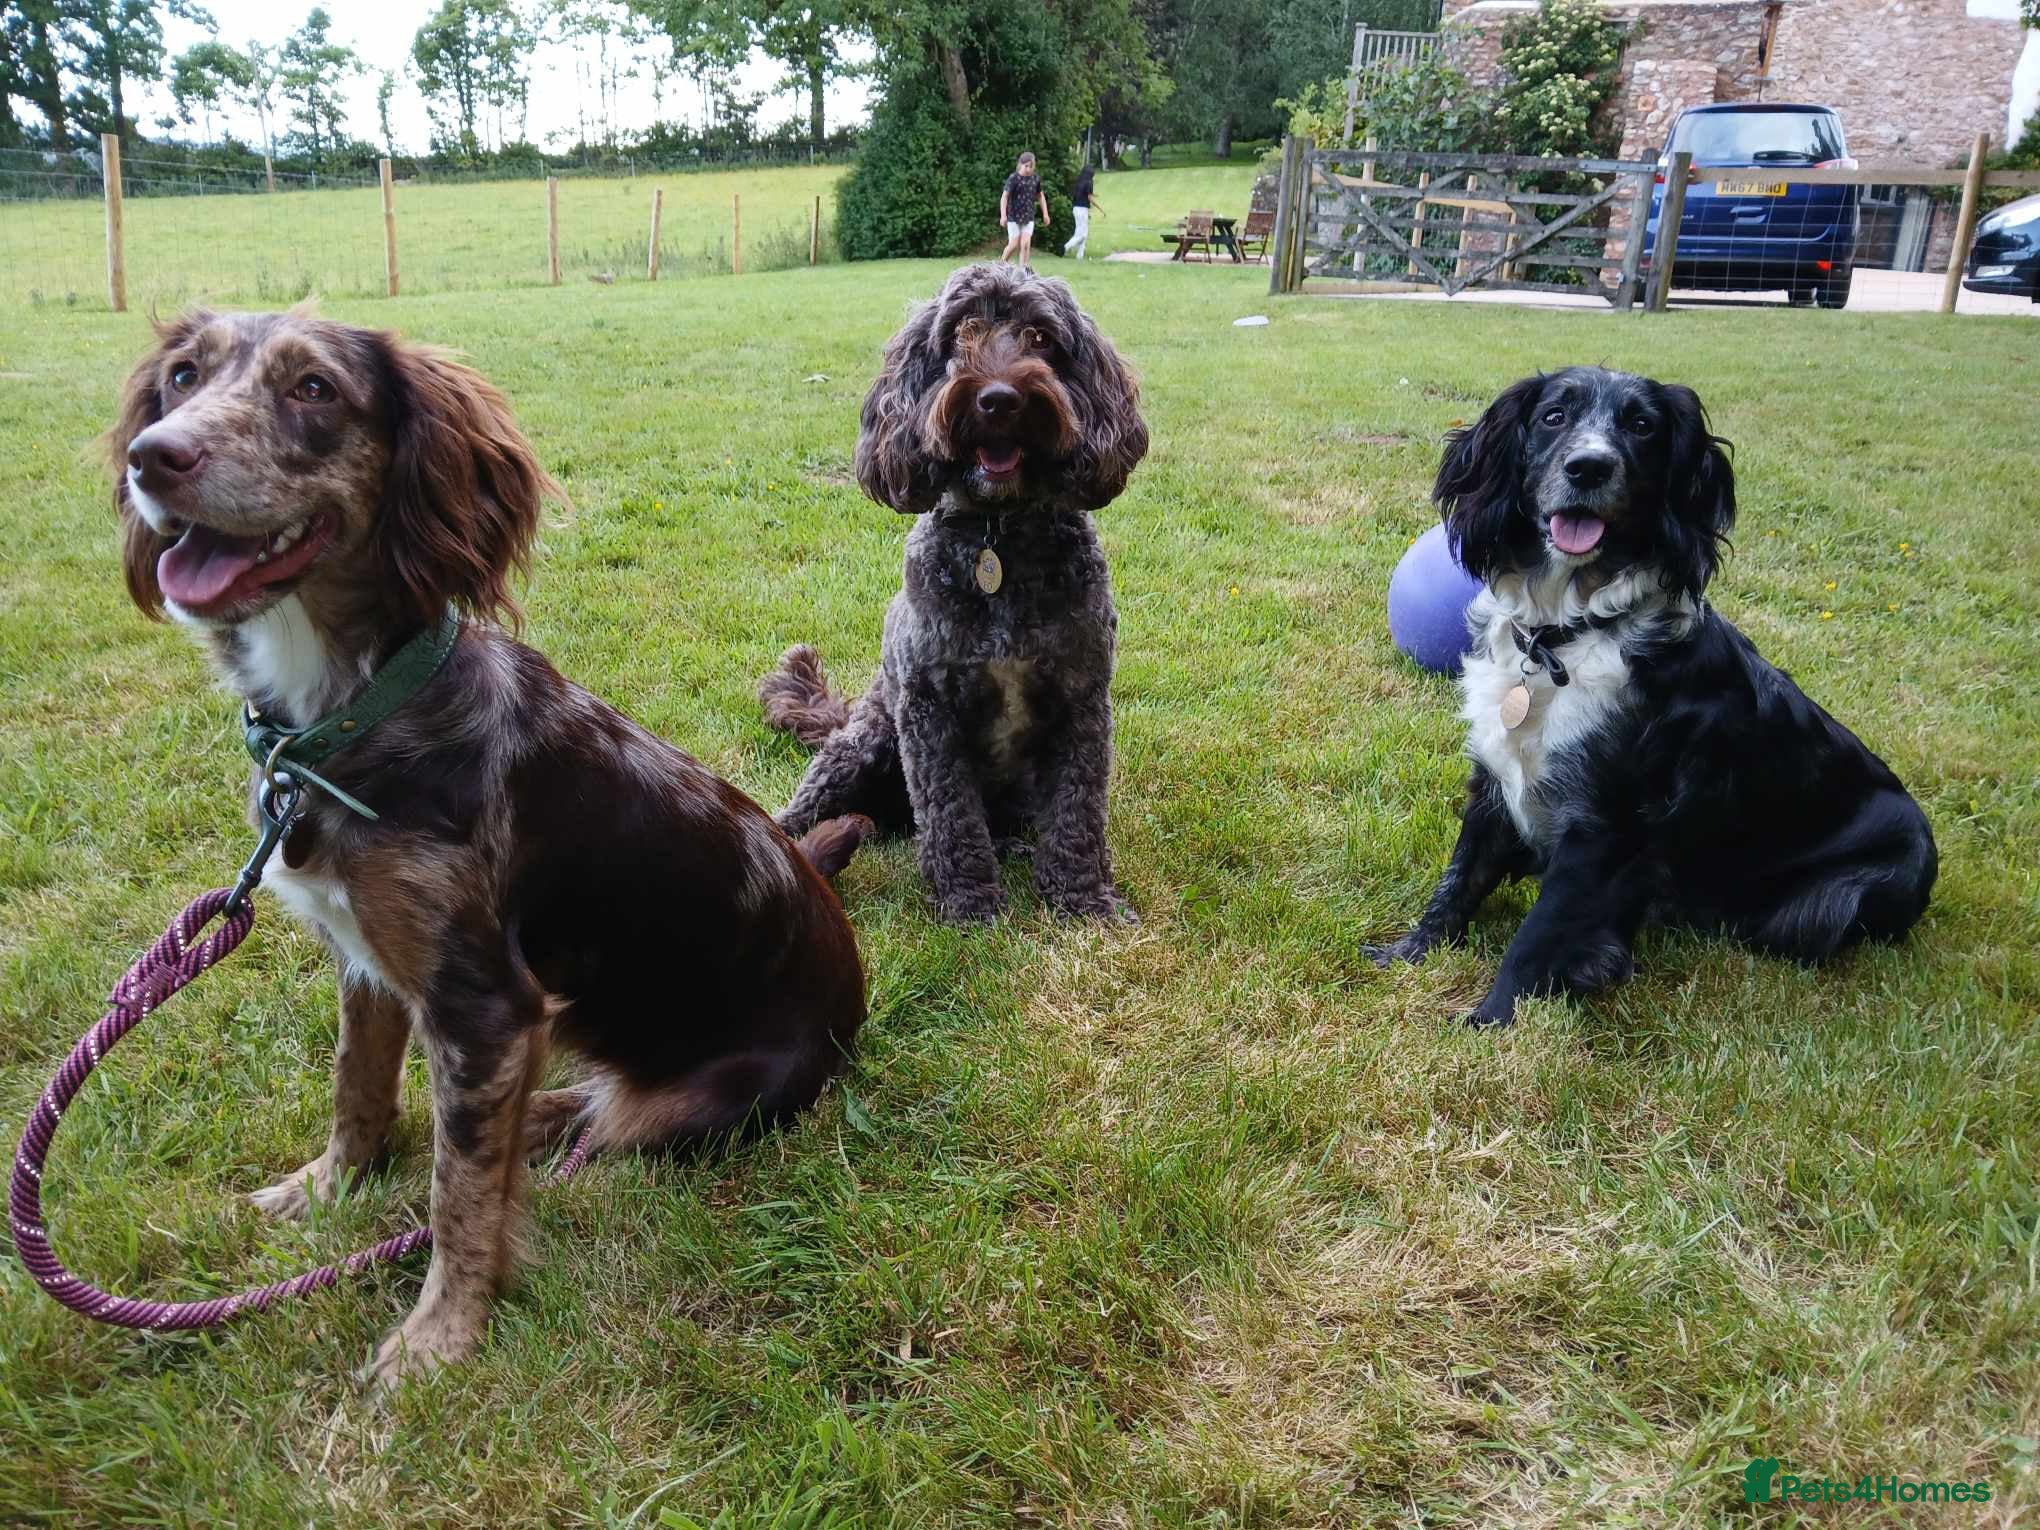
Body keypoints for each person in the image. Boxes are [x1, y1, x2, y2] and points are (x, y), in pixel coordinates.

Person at [998, 152, 1050, 267]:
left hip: (1028, 216)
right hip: (1013, 216)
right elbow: (1004, 197)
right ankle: (1000, 266)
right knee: (1013, 245)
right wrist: (1003, 215)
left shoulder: (1035, 179)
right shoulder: (1014, 178)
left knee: (1025, 243)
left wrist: (1045, 214)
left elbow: (1040, 196)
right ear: (1020, 165)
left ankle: (1024, 270)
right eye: (1026, 166)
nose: (1028, 169)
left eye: (1031, 166)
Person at [1063, 167, 1103, 260]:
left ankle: (1079, 256)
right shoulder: (1089, 183)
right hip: (1082, 210)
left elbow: (1082, 194)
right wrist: (1100, 209)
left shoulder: (1079, 182)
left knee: (1081, 232)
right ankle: (1065, 247)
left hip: (1076, 208)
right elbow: (1090, 198)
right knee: (1082, 234)